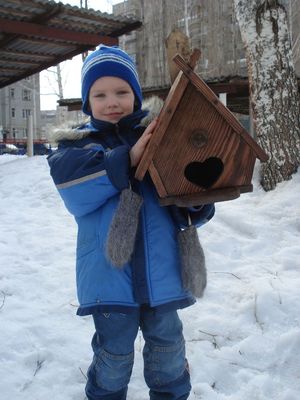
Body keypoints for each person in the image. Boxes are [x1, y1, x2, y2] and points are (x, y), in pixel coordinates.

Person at [47, 44, 215, 400]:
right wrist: (128, 158)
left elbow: (180, 193)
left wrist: (198, 200)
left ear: (137, 97)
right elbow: (75, 190)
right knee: (114, 357)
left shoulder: (161, 136)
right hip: (109, 280)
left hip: (165, 277)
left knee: (168, 351)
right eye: (101, 94)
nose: (112, 101)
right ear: (87, 102)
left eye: (122, 92)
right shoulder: (75, 148)